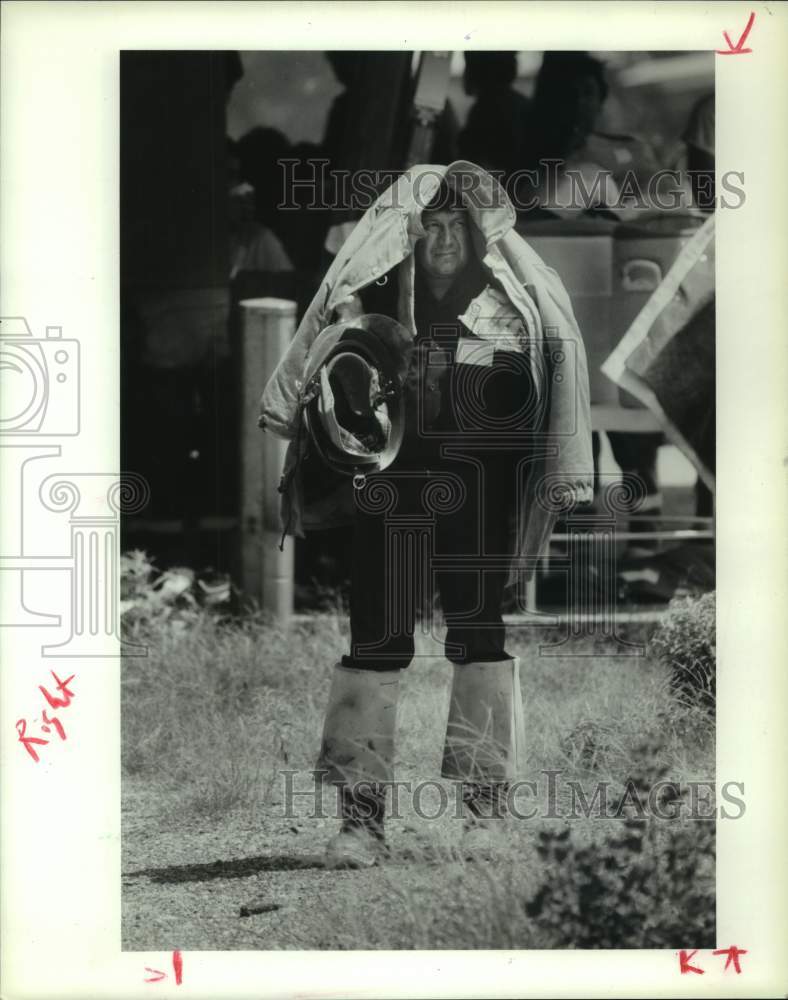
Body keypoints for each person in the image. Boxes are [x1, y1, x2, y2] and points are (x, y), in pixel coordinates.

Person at [260, 163, 593, 868]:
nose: (442, 242)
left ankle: (485, 816)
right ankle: (360, 823)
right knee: (375, 645)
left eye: (456, 228)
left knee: (480, 642)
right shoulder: (374, 301)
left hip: (479, 500)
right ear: (410, 236)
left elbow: (536, 408)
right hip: (391, 500)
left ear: (478, 235)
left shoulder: (514, 302)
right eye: (431, 228)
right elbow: (330, 395)